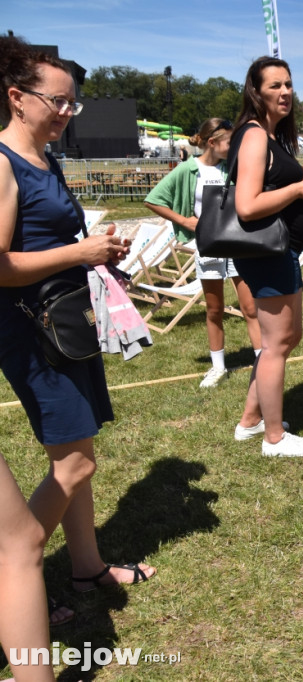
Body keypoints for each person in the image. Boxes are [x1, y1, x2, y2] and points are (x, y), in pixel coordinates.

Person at [0, 35, 156, 656]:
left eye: (73, 105)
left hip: (66, 324)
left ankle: (86, 567)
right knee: (75, 465)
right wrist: (81, 253)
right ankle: (17, 566)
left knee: (80, 452)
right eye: (56, 102)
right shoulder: (4, 164)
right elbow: (1, 264)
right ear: (16, 97)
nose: (67, 113)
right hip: (31, 334)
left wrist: (98, 251)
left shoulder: (44, 156)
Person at [229, 56, 303, 458]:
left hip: (282, 249)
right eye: (275, 85)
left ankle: (251, 420)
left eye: (289, 85)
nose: (285, 92)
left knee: (289, 337)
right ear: (255, 91)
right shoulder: (256, 135)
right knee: (277, 343)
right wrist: (299, 191)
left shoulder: (269, 136)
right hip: (267, 253)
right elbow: (247, 205)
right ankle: (274, 438)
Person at [144, 117, 262, 388]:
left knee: (250, 307)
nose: (234, 148)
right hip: (208, 246)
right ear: (212, 142)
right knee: (214, 309)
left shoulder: (233, 167)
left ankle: (261, 362)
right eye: (230, 142)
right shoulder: (187, 170)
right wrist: (184, 221)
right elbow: (153, 199)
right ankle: (218, 367)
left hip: (237, 245)